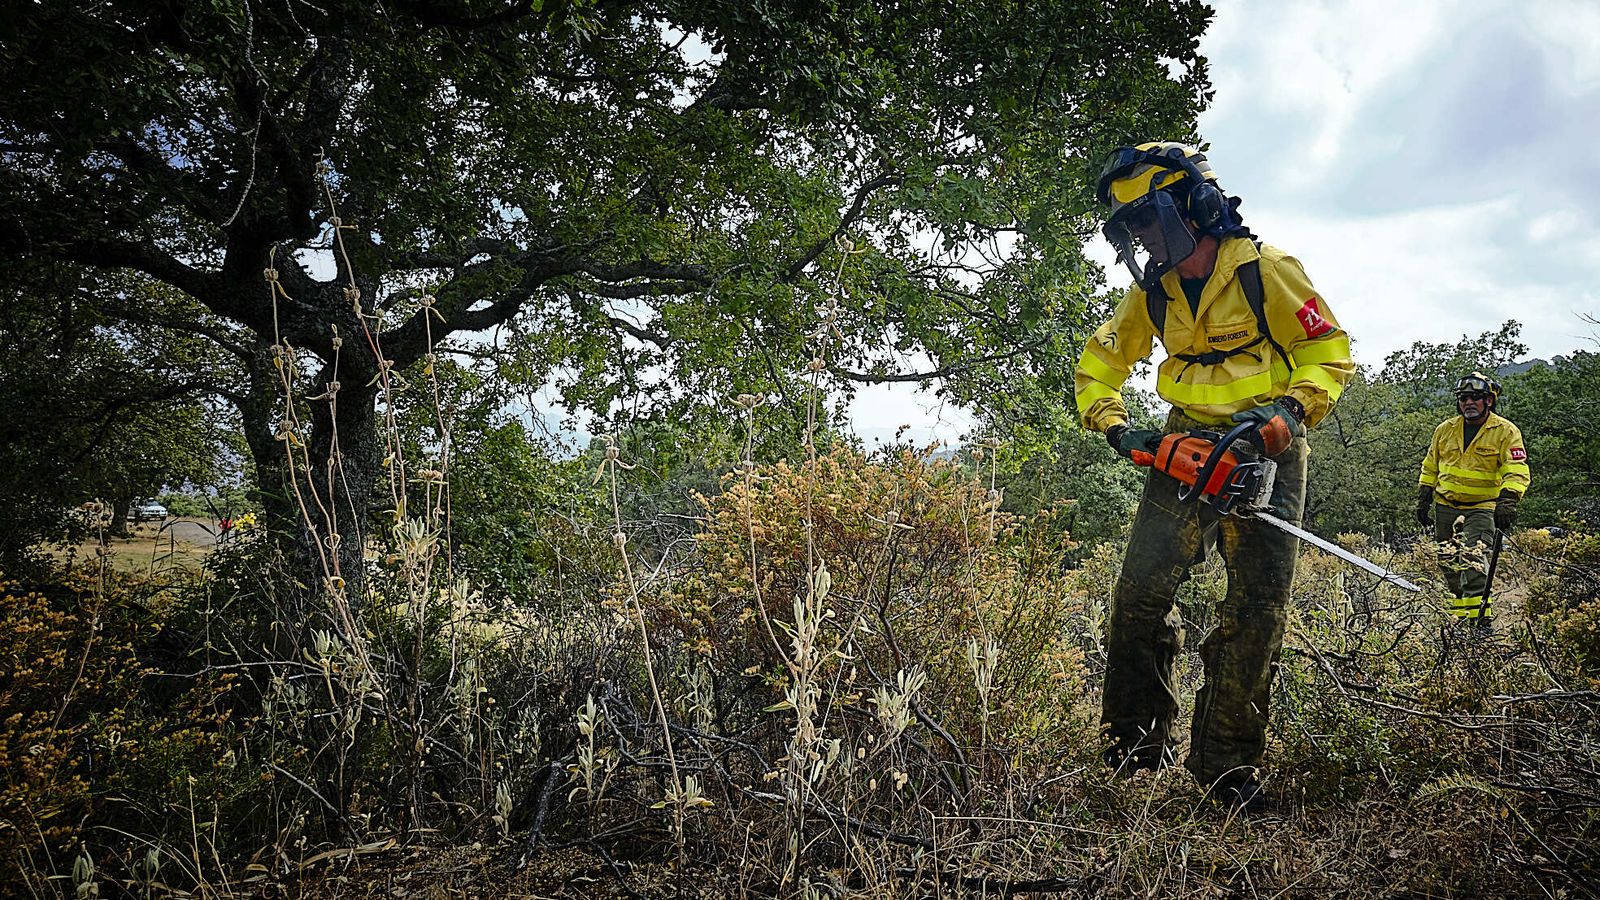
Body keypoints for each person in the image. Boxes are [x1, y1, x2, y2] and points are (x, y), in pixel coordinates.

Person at [1074, 142, 1355, 811]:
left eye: (1145, 218)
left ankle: (1227, 767)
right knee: (1138, 598)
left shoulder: (1267, 271)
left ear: (1189, 205)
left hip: (1266, 452)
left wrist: (1289, 413)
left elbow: (1327, 349)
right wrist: (1127, 433)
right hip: (1182, 446)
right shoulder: (1154, 294)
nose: (1140, 236)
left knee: (1254, 613)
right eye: (1129, 227)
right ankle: (1133, 748)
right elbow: (1098, 366)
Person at [1416, 372, 1530, 619]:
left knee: (1472, 559)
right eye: (1463, 398)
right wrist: (1424, 496)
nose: (1468, 403)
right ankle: (1460, 618)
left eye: (1475, 398)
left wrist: (1508, 500)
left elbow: (1516, 469)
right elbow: (1431, 465)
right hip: (1445, 505)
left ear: (1489, 401)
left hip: (1482, 506)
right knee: (1448, 563)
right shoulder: (1445, 429)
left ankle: (1480, 623)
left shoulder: (1505, 432)